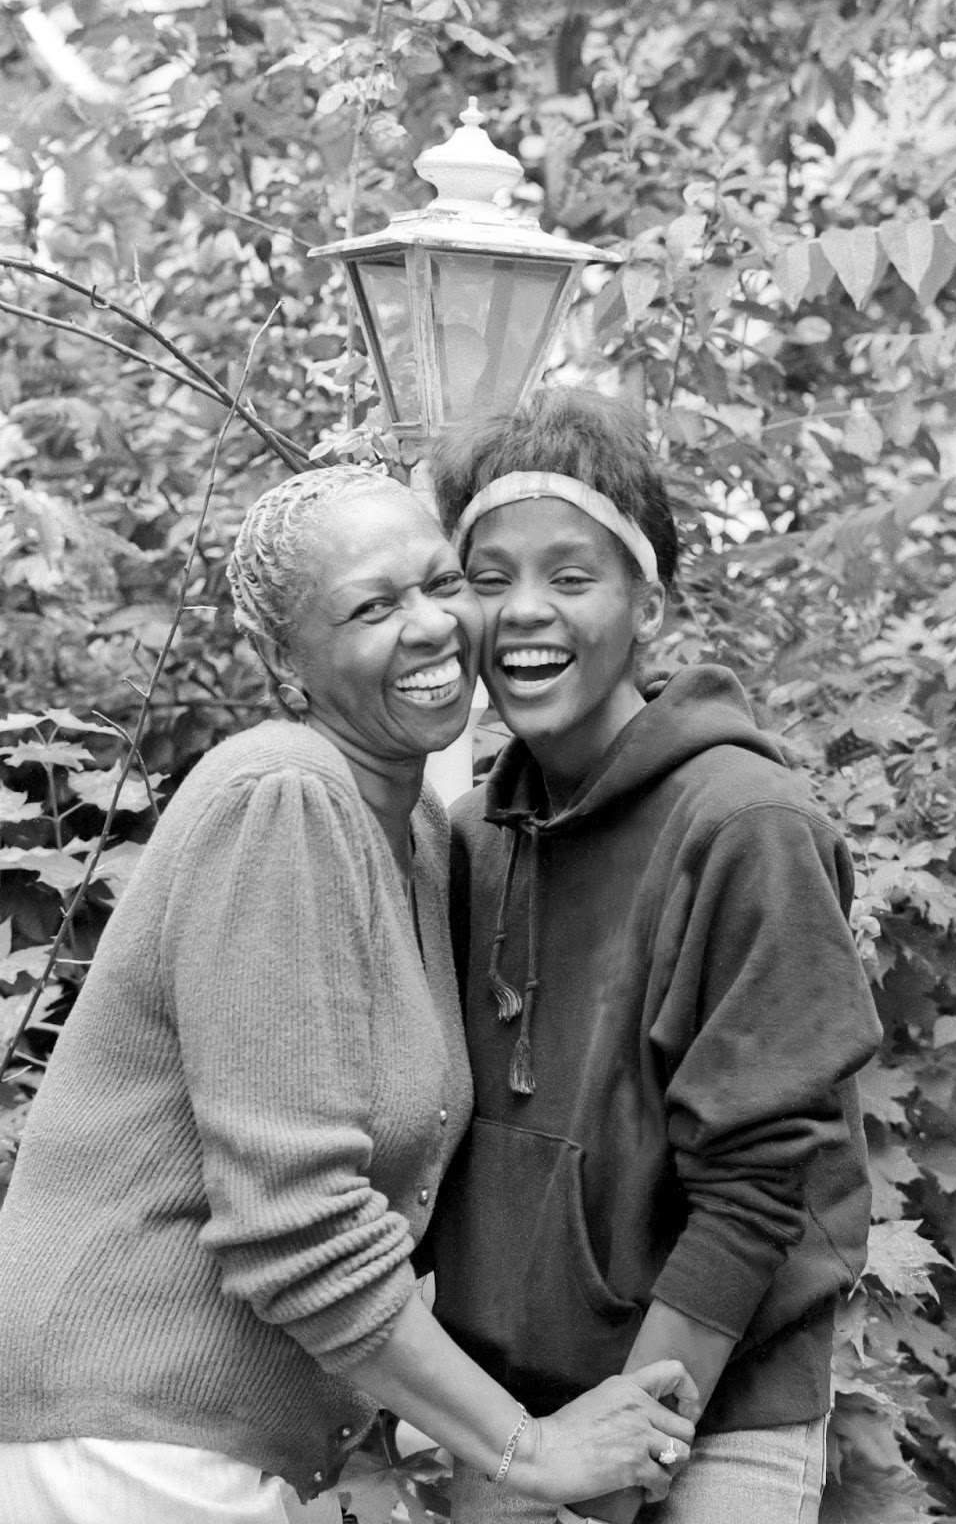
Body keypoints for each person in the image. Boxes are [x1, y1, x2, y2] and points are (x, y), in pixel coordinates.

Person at [0, 465, 697, 1524]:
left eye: (439, 581)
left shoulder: (414, 830)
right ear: (288, 663)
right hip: (122, 1446)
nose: (430, 626)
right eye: (372, 607)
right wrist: (526, 1447)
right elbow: (294, 1218)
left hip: (204, 1449)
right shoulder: (282, 797)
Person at [428, 389, 884, 1524]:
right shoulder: (470, 837)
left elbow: (753, 1190)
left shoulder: (746, 825)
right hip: (518, 1419)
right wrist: (521, 1454)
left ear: (649, 601)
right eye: (489, 578)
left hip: (713, 1409)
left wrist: (627, 1463)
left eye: (571, 576)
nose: (524, 612)